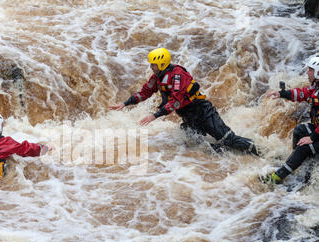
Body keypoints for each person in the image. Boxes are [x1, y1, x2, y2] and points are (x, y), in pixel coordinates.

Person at [109, 48, 259, 156]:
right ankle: (230, 160)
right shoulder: (157, 77)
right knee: (197, 145)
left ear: (161, 63)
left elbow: (176, 101)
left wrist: (154, 116)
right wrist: (125, 103)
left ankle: (261, 152)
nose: (151, 67)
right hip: (189, 116)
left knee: (228, 140)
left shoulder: (178, 76)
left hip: (203, 112)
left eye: (153, 64)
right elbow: (145, 92)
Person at [261, 56, 319, 185]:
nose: (307, 73)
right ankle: (295, 165)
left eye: (310, 70)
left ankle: (276, 178)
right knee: (299, 131)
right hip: (318, 130)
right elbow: (302, 94)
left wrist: (313, 137)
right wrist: (282, 94)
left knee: (304, 147)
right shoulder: (316, 87)